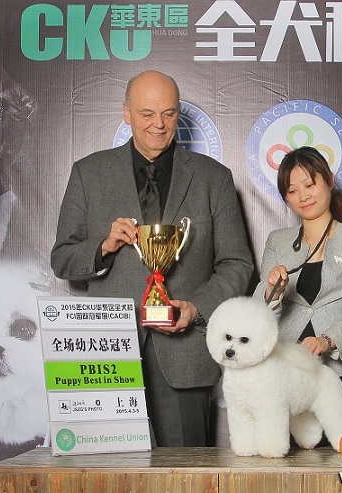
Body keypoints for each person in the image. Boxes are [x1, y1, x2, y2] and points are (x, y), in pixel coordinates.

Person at [51, 70, 254, 447]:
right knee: (110, 472)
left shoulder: (214, 178)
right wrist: (104, 246)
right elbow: (62, 259)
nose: (158, 124)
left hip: (185, 356)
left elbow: (237, 264)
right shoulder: (88, 173)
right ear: (126, 113)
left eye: (169, 113)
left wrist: (196, 308)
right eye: (146, 114)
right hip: (107, 357)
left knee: (186, 473)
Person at [253, 146, 342, 423]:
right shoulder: (277, 241)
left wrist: (327, 340)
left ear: (330, 181)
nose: (303, 196)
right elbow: (259, 311)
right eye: (292, 190)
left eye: (310, 185)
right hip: (288, 370)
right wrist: (272, 289)